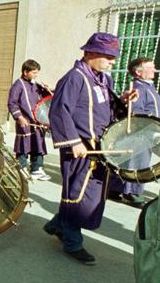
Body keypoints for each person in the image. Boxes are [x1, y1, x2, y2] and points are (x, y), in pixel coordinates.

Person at [43, 33, 135, 264]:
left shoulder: (104, 80)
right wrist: (74, 142)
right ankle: (73, 243)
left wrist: (123, 101)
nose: (113, 62)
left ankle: (57, 224)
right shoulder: (75, 78)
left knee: (87, 194)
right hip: (80, 147)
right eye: (109, 57)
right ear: (91, 53)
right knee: (79, 194)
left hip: (98, 147)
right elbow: (59, 111)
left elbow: (106, 111)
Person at [108, 57, 159, 207]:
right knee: (137, 162)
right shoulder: (137, 88)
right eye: (150, 67)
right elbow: (136, 112)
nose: (154, 69)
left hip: (151, 130)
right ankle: (132, 192)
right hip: (142, 131)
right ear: (138, 72)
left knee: (128, 160)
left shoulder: (148, 87)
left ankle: (114, 189)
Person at [7, 60, 51, 180]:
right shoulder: (17, 85)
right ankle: (20, 168)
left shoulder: (35, 85)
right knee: (24, 146)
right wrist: (19, 117)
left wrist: (47, 90)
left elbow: (44, 99)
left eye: (37, 73)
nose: (36, 75)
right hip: (25, 122)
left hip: (37, 122)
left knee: (38, 144)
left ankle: (37, 169)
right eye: (34, 72)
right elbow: (12, 103)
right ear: (25, 72)